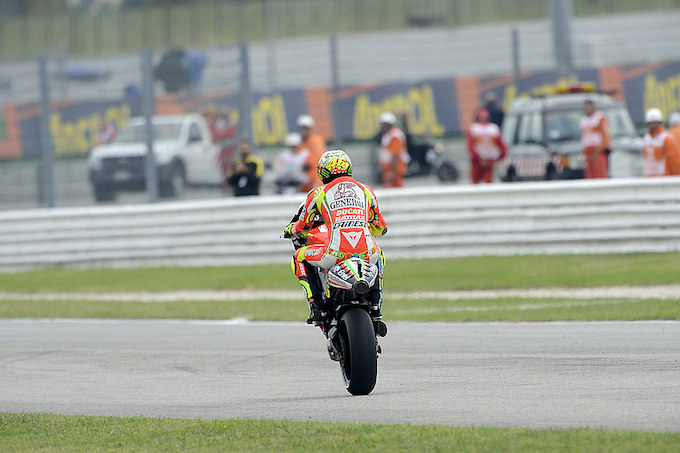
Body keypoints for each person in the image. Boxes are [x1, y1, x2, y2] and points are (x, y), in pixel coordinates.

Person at [283, 149, 388, 324]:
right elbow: (380, 228)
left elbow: (301, 229)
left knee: (298, 257)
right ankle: (376, 304)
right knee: (379, 255)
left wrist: (291, 229)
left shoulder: (318, 194)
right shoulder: (366, 191)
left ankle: (317, 307)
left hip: (333, 254)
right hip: (367, 254)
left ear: (322, 172)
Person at [466, 108, 507, 184]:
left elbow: (470, 146)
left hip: (481, 161)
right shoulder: (493, 128)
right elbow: (502, 145)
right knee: (487, 182)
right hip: (487, 160)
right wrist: (500, 157)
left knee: (476, 182)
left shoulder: (474, 128)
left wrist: (477, 158)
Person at [642, 108, 680, 177]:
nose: (652, 125)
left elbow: (674, 160)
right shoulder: (646, 138)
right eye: (651, 123)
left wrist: (675, 177)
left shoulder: (666, 138)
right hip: (649, 176)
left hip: (663, 177)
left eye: (655, 123)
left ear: (660, 123)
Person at [579, 99, 611, 179]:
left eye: (589, 106)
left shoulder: (599, 118)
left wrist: (598, 150)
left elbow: (606, 136)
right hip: (588, 152)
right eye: (586, 107)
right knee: (589, 176)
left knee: (600, 176)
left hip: (598, 152)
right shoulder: (584, 120)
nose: (587, 108)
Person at [378, 111, 410, 188]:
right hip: (390, 168)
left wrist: (391, 172)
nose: (383, 126)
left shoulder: (394, 136)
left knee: (395, 189)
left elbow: (396, 154)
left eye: (384, 124)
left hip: (394, 169)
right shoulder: (390, 134)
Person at [296, 114, 326, 192]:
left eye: (306, 128)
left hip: (315, 178)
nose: (304, 130)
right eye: (302, 128)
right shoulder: (300, 143)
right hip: (305, 178)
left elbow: (317, 159)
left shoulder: (316, 141)